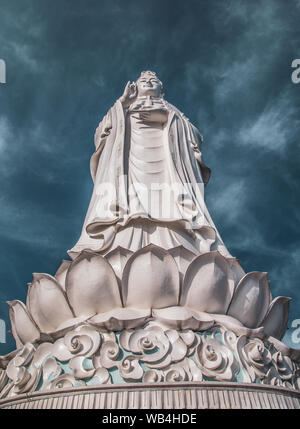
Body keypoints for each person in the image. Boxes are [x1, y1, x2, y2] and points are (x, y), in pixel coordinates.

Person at [68, 71, 231, 259]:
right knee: (127, 201)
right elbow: (100, 135)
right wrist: (121, 104)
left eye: (153, 81)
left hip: (167, 167)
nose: (148, 82)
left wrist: (167, 118)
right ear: (135, 87)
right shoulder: (122, 108)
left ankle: (181, 242)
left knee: (169, 201)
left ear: (161, 90)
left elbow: (195, 137)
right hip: (128, 164)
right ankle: (121, 240)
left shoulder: (172, 110)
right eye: (143, 81)